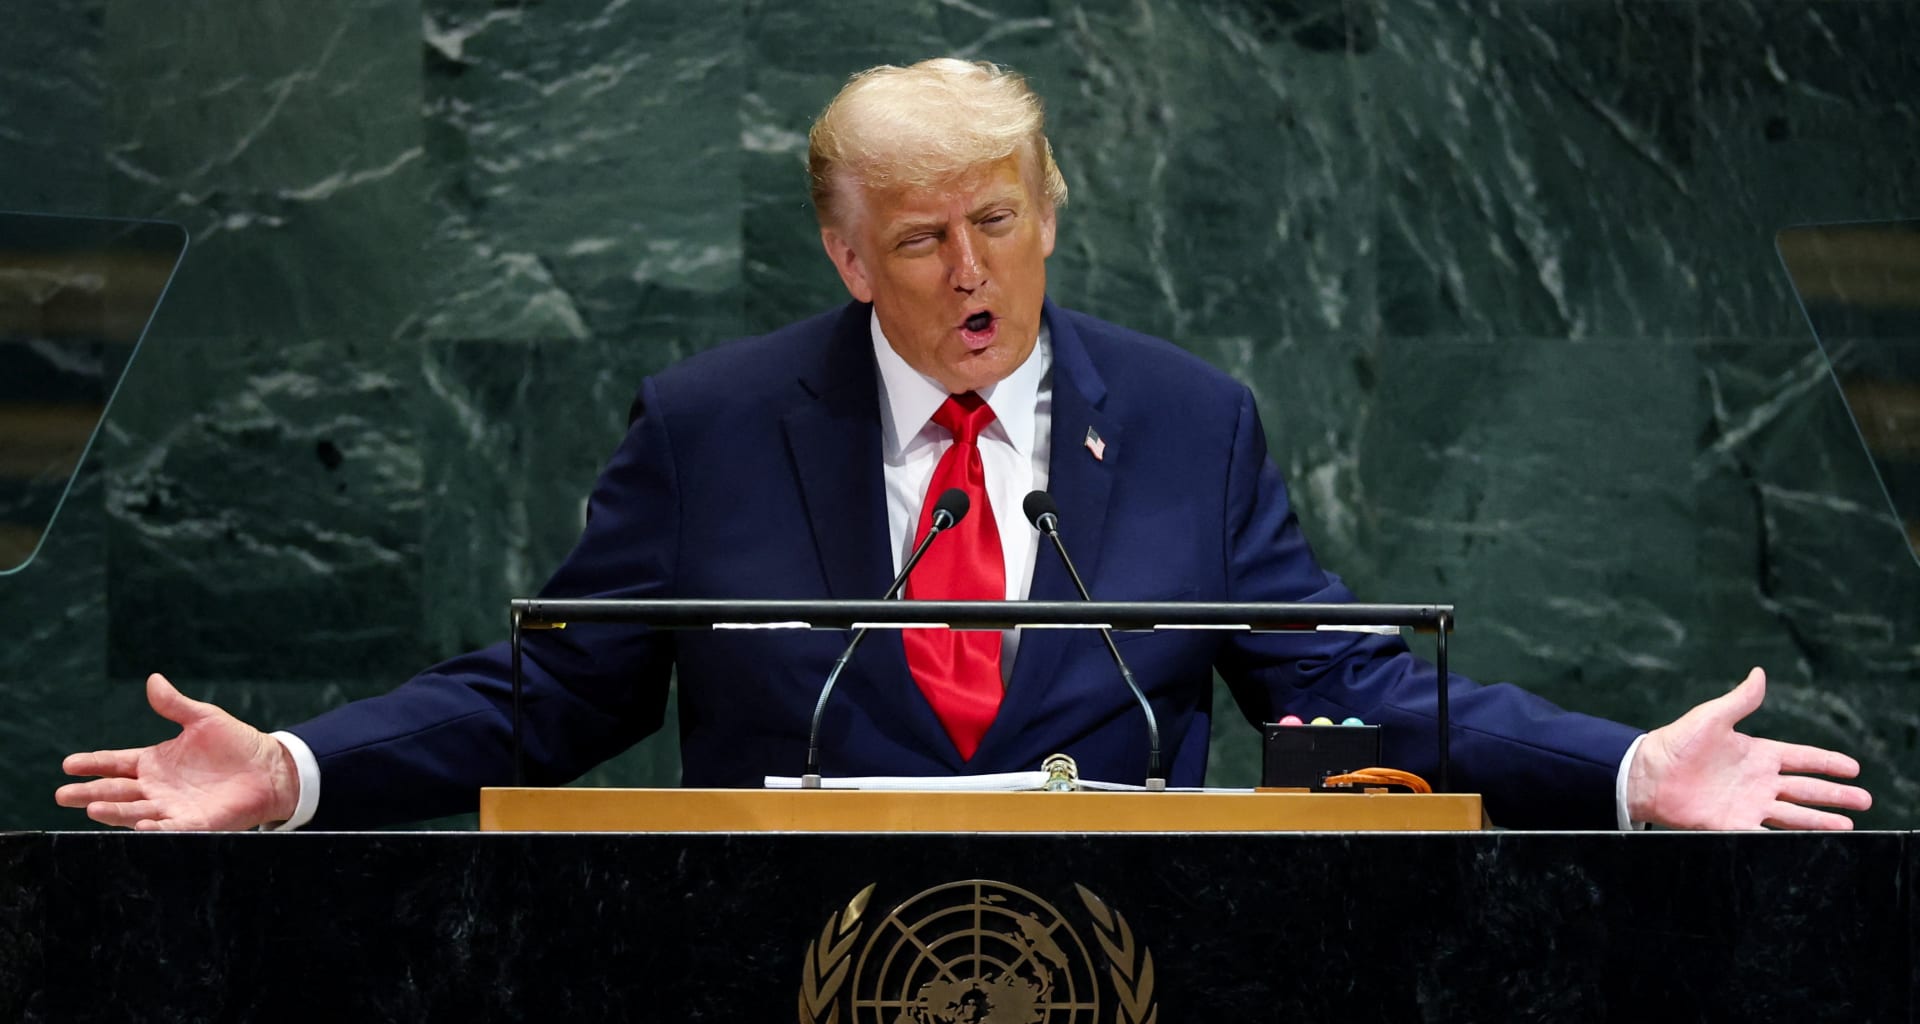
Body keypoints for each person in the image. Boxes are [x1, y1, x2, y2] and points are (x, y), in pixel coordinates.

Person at [57, 59, 1872, 833]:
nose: (970, 271)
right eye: (921, 238)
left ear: (1050, 218)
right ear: (848, 256)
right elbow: (553, 696)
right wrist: (293, 771)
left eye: (1000, 222)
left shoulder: (1184, 421)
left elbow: (1345, 686)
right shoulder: (715, 426)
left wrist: (1633, 774)